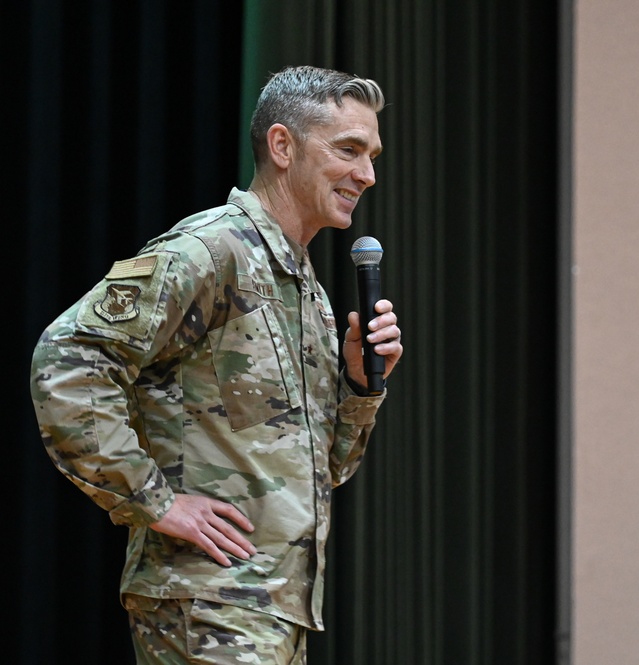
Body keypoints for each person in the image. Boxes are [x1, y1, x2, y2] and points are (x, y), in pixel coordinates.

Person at [29, 65, 402, 664]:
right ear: (283, 146)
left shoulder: (305, 290)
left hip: (275, 611)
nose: (367, 174)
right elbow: (68, 359)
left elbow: (323, 470)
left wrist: (359, 385)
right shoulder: (211, 250)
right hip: (206, 604)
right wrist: (155, 500)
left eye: (372, 154)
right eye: (349, 150)